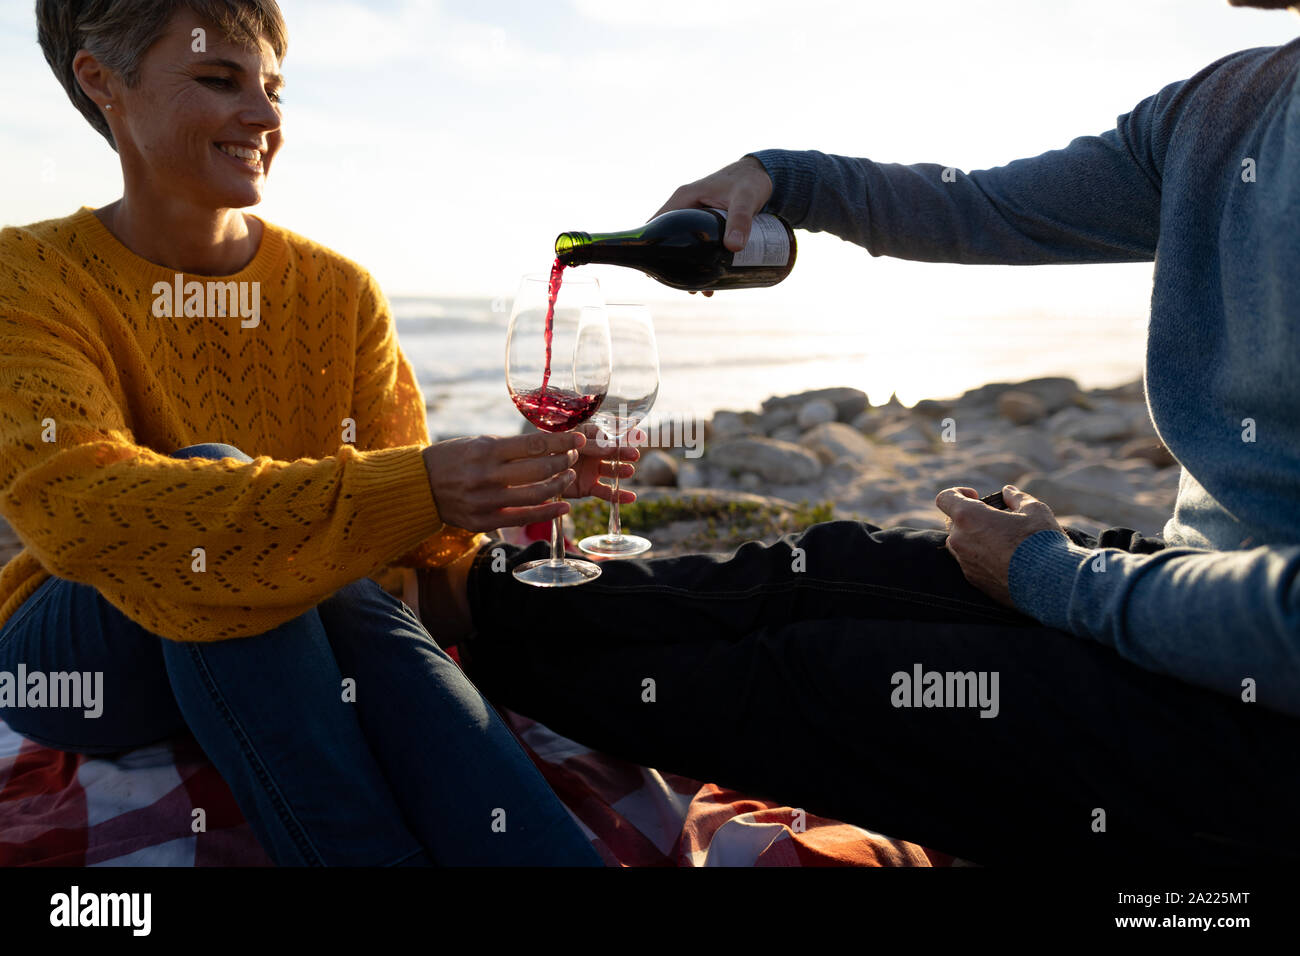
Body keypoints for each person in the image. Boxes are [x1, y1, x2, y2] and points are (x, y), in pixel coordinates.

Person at [426, 4, 1300, 864]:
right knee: (831, 567)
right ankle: (464, 600)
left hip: (1262, 712)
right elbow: (982, 208)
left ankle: (437, 684)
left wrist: (1051, 576)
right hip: (1175, 588)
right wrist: (783, 178)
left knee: (809, 680)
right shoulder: (1225, 105)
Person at [0, 0, 638, 866]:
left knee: (300, 565)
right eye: (220, 80)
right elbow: (81, 508)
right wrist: (414, 487)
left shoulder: (338, 291)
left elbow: (407, 555)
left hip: (302, 621)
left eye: (273, 89)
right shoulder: (28, 275)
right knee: (235, 513)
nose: (265, 118)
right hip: (78, 651)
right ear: (99, 80)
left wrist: (511, 492)